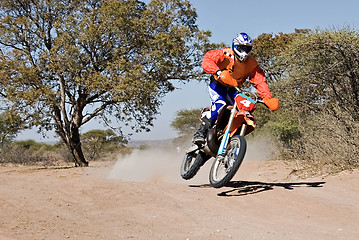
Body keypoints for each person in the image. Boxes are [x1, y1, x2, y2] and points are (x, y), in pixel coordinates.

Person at [192, 32, 279, 145]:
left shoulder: (251, 64)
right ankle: (200, 133)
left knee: (243, 108)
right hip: (217, 85)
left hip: (233, 89)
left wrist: (267, 97)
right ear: (235, 46)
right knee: (220, 104)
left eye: (247, 49)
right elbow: (208, 59)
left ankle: (228, 135)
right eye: (241, 48)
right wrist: (218, 72)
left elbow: (259, 80)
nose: (244, 52)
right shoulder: (225, 54)